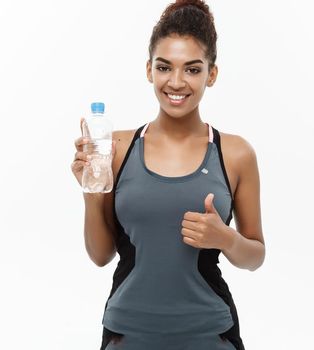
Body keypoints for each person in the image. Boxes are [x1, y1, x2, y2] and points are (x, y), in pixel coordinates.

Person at [70, 1, 265, 349]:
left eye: (192, 69)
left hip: (210, 336)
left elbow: (256, 255)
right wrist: (91, 189)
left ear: (212, 74)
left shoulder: (235, 153)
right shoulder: (116, 147)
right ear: (149, 70)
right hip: (127, 335)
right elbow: (100, 255)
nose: (176, 82)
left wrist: (226, 238)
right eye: (164, 67)